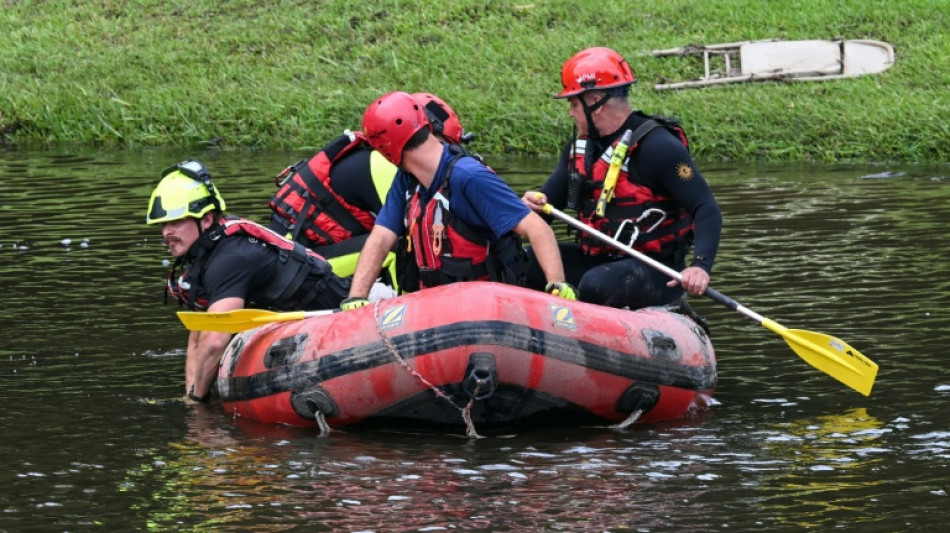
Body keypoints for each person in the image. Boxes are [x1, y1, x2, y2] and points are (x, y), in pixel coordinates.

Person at [522, 46, 722, 314]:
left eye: (573, 104)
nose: (570, 112)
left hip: (655, 270)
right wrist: (529, 208)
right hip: (597, 260)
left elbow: (705, 208)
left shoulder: (658, 147)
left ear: (595, 101)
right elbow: (548, 208)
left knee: (596, 284)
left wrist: (700, 265)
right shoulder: (579, 149)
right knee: (520, 261)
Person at [340, 91, 575, 309]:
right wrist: (356, 297)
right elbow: (381, 238)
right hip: (435, 306)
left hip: (484, 307)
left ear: (386, 148)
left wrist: (557, 284)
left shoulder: (468, 176)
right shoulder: (407, 179)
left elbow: (537, 228)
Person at [146, 160, 349, 403]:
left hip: (337, 315)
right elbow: (198, 332)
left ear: (207, 220)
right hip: (298, 322)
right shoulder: (203, 257)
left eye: (176, 222)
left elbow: (215, 340)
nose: (166, 232)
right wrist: (190, 394)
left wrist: (198, 403)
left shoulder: (230, 259)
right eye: (163, 225)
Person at [267, 92, 473, 293]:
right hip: (291, 263)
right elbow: (410, 229)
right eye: (442, 146)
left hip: (306, 254)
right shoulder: (385, 166)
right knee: (396, 246)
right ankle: (408, 308)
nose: (442, 159)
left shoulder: (389, 158)